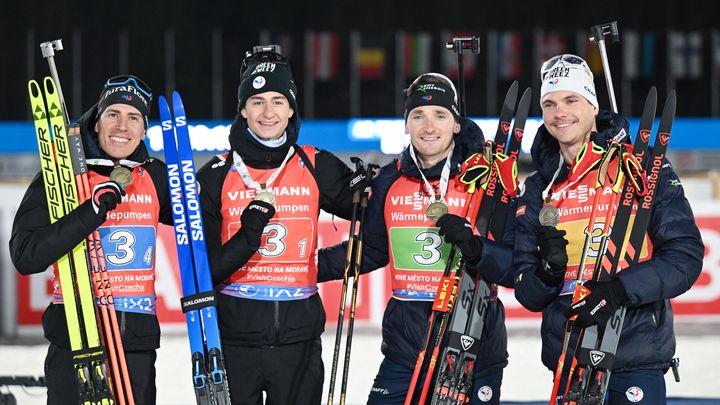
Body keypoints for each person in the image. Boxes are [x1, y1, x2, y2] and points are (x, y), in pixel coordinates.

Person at [511, 54, 704, 403]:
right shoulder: (539, 187)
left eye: (571, 100)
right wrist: (549, 271)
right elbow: (528, 293)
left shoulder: (640, 169)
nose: (560, 113)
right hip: (568, 362)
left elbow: (684, 258)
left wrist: (618, 290)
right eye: (550, 104)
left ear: (593, 106)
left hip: (634, 357)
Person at [319, 73, 515, 405]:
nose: (429, 126)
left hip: (472, 349)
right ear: (406, 124)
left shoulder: (485, 178)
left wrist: (475, 247)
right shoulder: (390, 180)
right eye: (418, 116)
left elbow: (512, 266)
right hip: (406, 351)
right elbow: (373, 251)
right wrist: (306, 265)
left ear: (456, 124)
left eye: (440, 115)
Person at [196, 46, 355, 404]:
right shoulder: (216, 175)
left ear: (291, 108)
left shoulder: (317, 165)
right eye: (257, 101)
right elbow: (203, 271)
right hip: (234, 342)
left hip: (299, 343)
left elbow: (376, 221)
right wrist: (248, 236)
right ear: (242, 110)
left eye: (278, 101)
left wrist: (320, 264)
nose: (268, 112)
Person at [10, 75, 173, 404]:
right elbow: (26, 256)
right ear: (96, 122)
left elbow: (208, 224)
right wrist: (91, 211)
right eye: (113, 114)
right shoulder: (61, 177)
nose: (122, 126)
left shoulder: (154, 175)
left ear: (144, 130)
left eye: (134, 118)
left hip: (135, 352)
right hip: (75, 344)